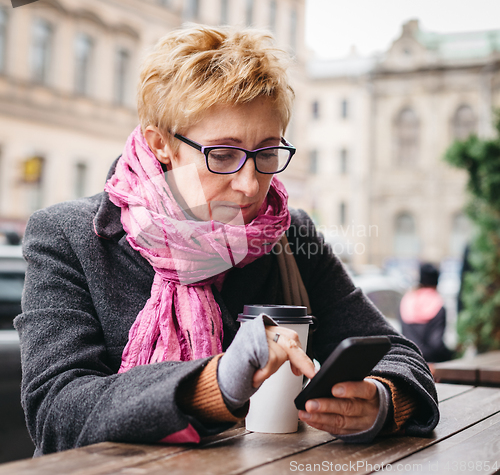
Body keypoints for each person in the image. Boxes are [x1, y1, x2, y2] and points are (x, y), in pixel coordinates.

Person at [15, 25, 438, 457]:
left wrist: (379, 402)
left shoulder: (290, 234)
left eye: (267, 153)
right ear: (160, 143)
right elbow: (56, 410)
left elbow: (399, 355)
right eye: (222, 154)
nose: (250, 184)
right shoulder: (68, 236)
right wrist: (213, 383)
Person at [400, 263, 454, 363]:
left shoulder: (407, 300)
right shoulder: (437, 303)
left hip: (409, 360)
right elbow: (436, 344)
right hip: (431, 363)